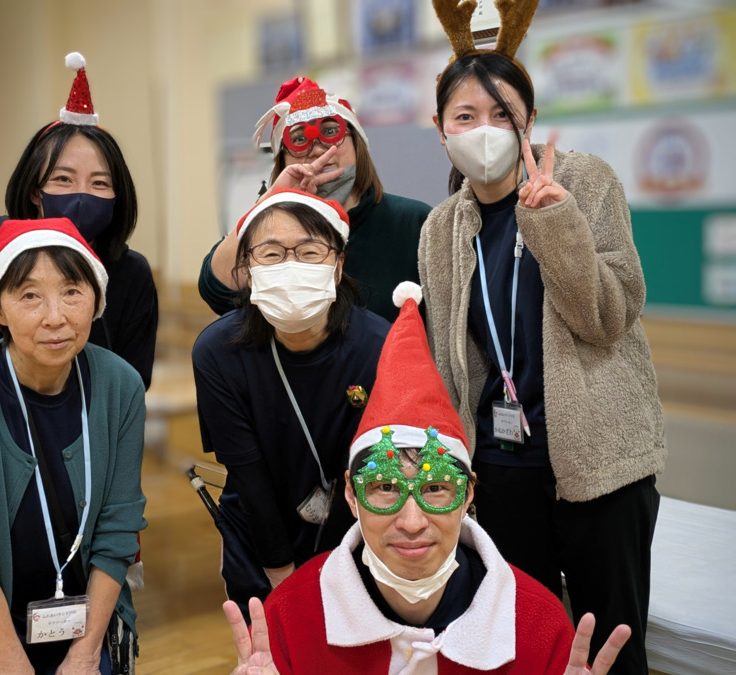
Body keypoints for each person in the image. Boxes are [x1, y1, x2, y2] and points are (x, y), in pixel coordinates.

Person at [417, 3, 666, 672]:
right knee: (520, 646)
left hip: (600, 466)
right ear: (438, 130)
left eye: (502, 114)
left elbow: (607, 316)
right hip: (500, 472)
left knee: (611, 650)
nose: (485, 130)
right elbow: (450, 359)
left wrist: (556, 227)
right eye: (465, 116)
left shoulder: (582, 182)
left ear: (528, 119)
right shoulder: (441, 227)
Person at [223, 283, 632, 674]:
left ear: (469, 492)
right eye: (385, 488)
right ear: (350, 494)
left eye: (436, 488)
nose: (412, 522)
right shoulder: (292, 616)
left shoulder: (536, 623)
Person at [0, 219, 147, 675]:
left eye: (73, 291)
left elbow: (119, 531)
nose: (55, 316)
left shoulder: (121, 387)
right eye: (30, 295)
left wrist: (82, 655)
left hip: (81, 609)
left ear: (96, 300)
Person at [192, 188, 391, 621]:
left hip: (358, 530)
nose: (291, 266)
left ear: (338, 266)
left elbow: (369, 468)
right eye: (271, 253)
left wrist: (333, 570)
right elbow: (245, 471)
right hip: (258, 530)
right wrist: (281, 572)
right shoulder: (216, 351)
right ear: (246, 269)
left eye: (309, 251)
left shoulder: (380, 346)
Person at [0, 51, 157, 392]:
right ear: (34, 191)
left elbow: (132, 385)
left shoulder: (131, 273)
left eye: (100, 183)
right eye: (63, 179)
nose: (81, 194)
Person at [199, 76, 430, 322]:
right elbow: (217, 292)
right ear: (283, 160)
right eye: (299, 139)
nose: (318, 149)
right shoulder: (272, 232)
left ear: (358, 145)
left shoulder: (414, 223)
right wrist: (273, 202)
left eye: (331, 131)